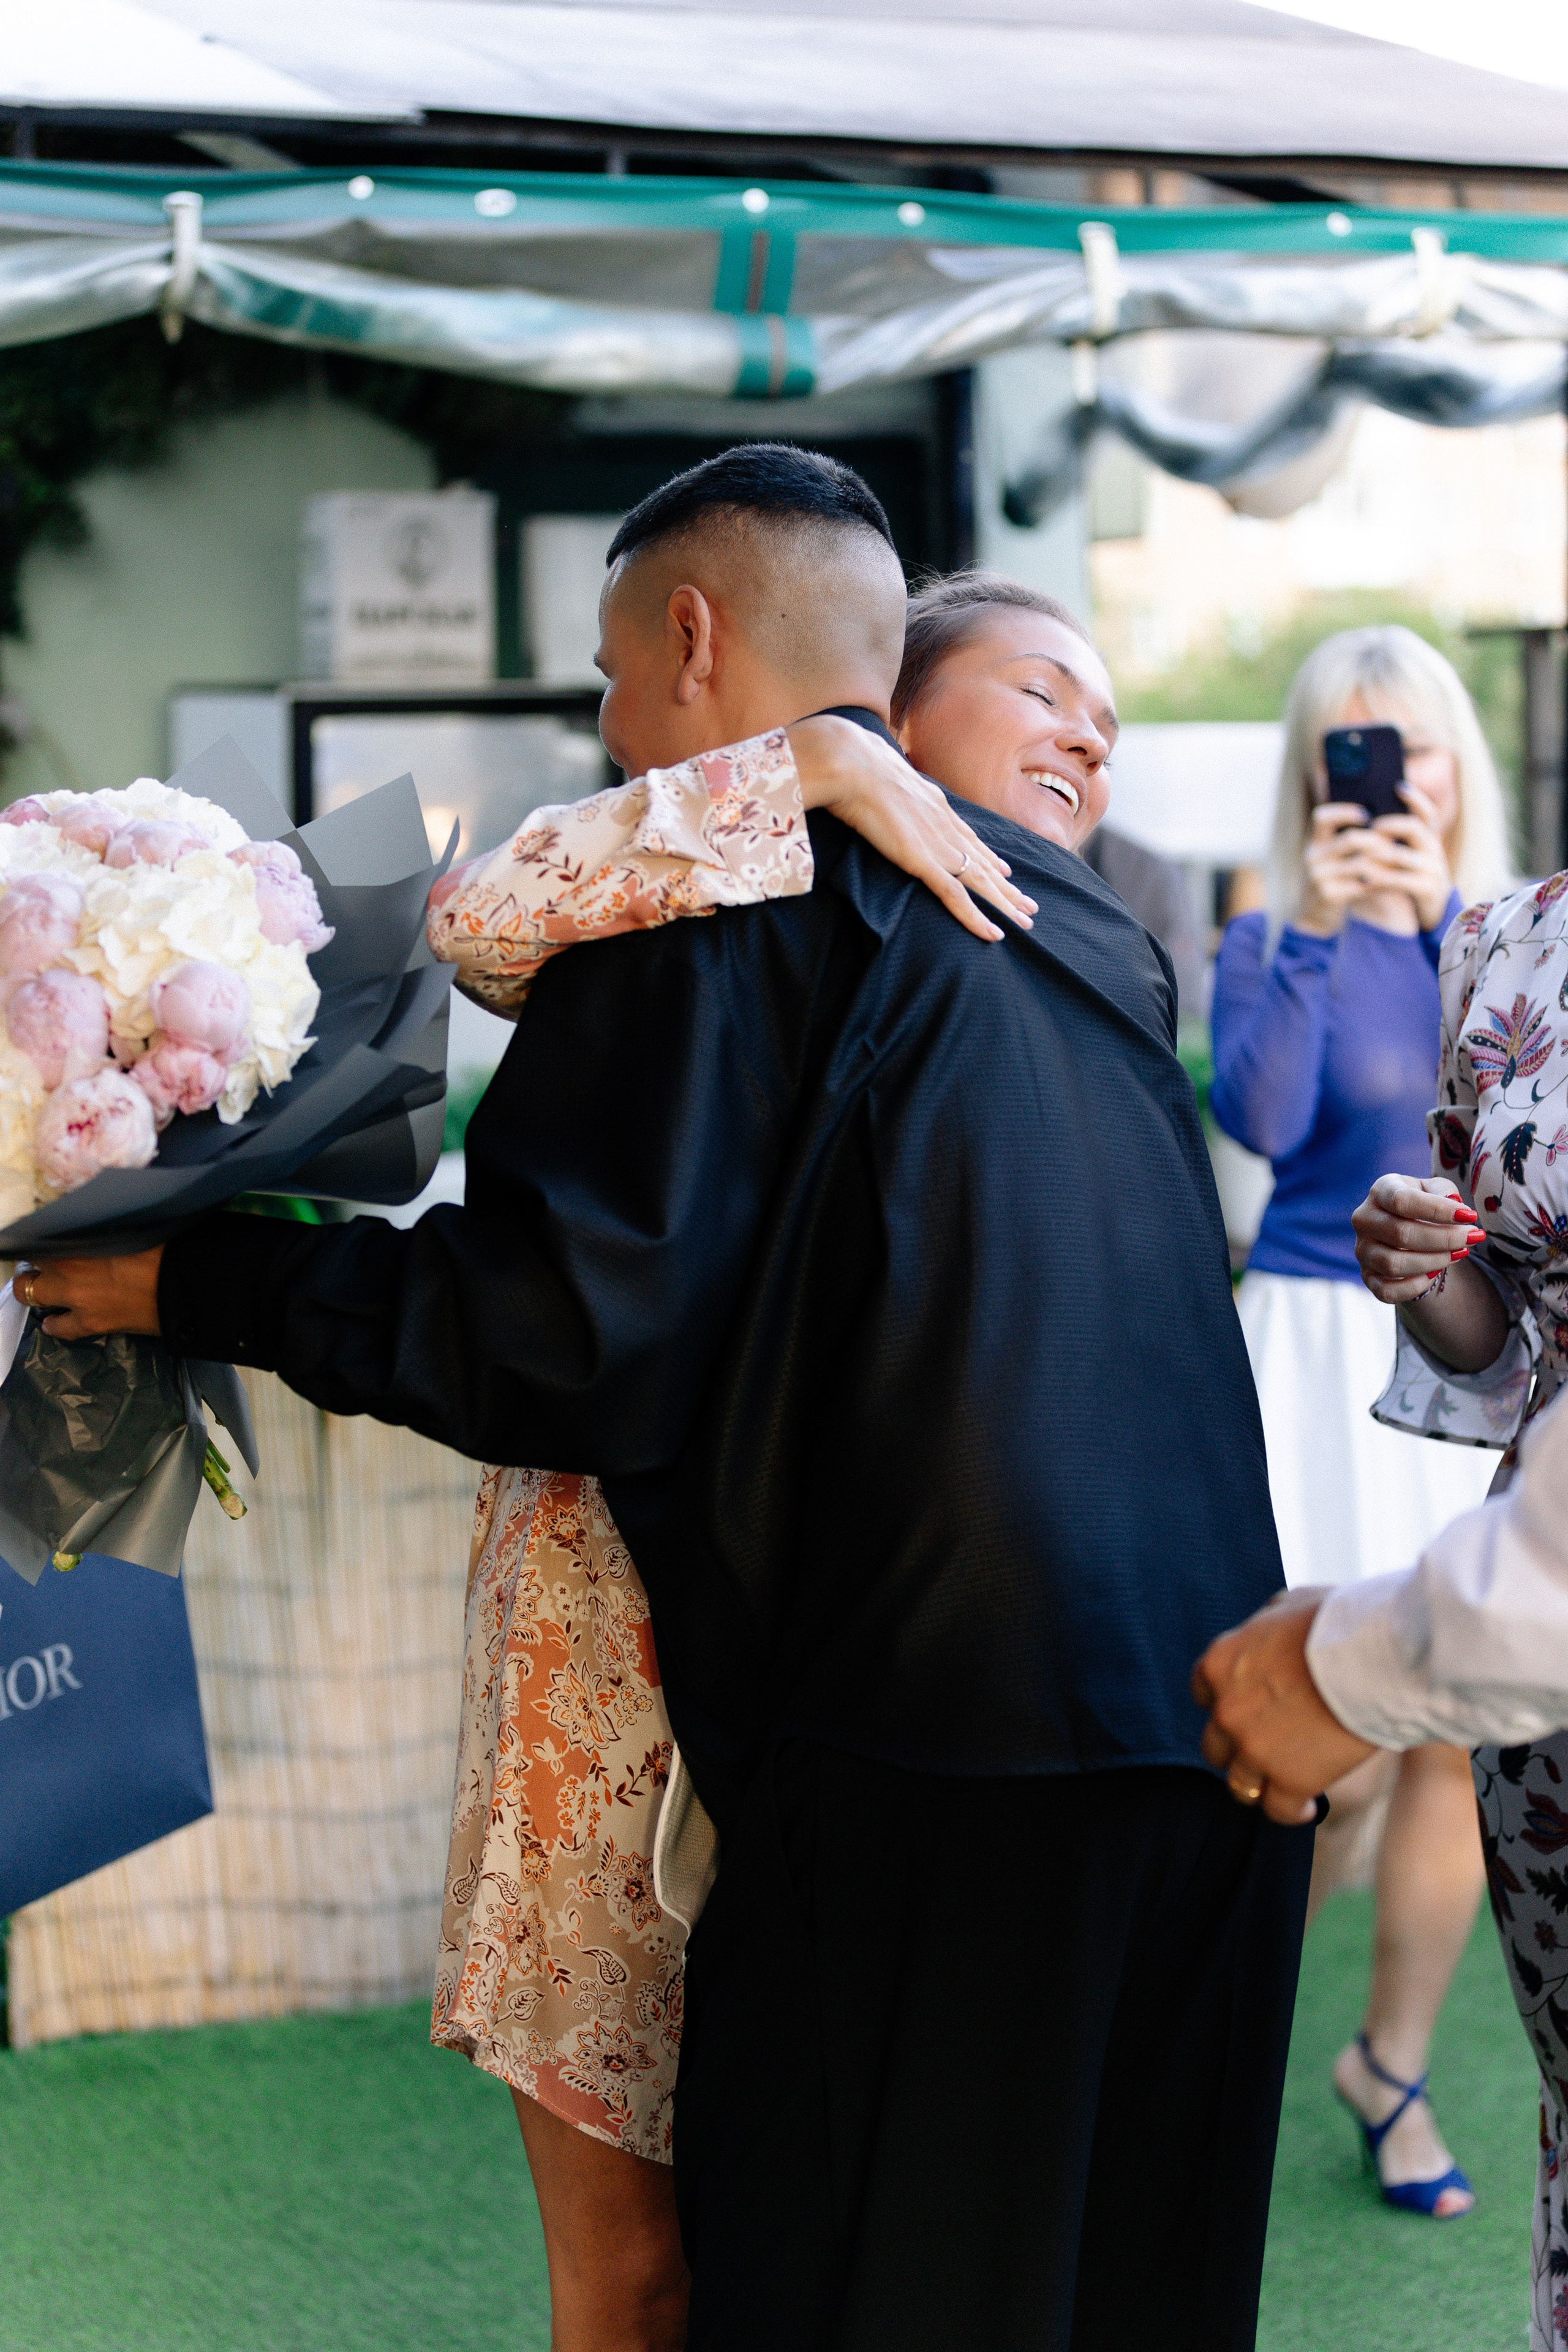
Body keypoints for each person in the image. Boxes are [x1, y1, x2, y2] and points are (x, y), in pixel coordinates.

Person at [29, 451, 1311, 2352]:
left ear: (692, 639)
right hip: (1212, 1728)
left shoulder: (696, 913)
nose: (615, 729)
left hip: (931, 1751)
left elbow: (560, 1335)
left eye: (616, 678)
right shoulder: (1097, 941)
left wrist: (191, 1277)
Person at [421, 706, 1025, 2351]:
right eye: (1040, 699)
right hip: (632, 1635)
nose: (609, 720)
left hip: (825, 1663)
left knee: (772, 2236)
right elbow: (477, 924)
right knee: (636, 2251)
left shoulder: (1018, 957)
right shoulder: (681, 900)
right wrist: (799, 766)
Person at [1196, 836, 1568, 2350]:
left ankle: (1387, 2065)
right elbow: (1507, 1336)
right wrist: (1427, 1270)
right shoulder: (1504, 938)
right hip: (1532, 1637)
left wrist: (1349, 1665)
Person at [1208, 625, 1512, 2217]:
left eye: (1414, 750)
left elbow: (1511, 1141)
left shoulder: (1511, 944)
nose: (1391, 785)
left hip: (1462, 1359)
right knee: (1313, 1739)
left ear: (1458, 767)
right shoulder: (1268, 934)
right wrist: (1323, 931)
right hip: (1308, 1358)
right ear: (1310, 778)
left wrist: (1445, 923)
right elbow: (1260, 1123)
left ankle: (1391, 2068)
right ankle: (1208, 2051)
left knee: (1458, 1735)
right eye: (1355, 754)